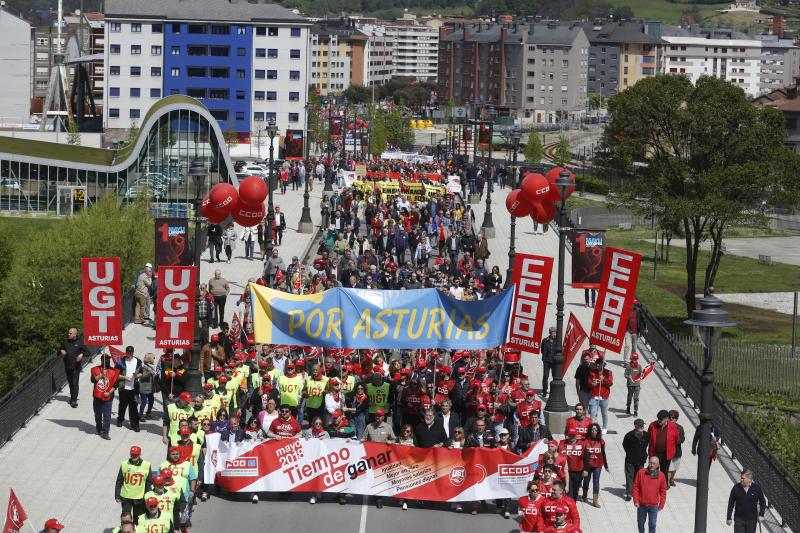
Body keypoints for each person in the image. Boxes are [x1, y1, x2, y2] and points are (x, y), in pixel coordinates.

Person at [115, 445, 152, 522]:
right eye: (132, 454)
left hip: (140, 498)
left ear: (140, 454)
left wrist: (148, 496)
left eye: (136, 454)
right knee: (126, 518)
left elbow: (148, 483)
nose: (134, 456)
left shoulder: (146, 465)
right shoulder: (124, 464)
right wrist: (117, 495)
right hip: (126, 497)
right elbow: (119, 481)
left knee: (139, 519)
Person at [633, 456, 667, 533]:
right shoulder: (641, 472)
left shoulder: (661, 476)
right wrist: (636, 501)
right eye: (650, 463)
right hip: (641, 505)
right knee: (640, 523)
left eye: (654, 463)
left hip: (653, 506)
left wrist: (661, 505)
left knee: (652, 524)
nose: (651, 465)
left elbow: (663, 492)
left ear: (658, 465)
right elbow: (635, 487)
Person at [91, 352, 120, 440]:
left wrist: (109, 392)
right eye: (105, 359)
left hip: (108, 397)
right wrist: (100, 375)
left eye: (108, 359)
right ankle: (98, 429)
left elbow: (116, 384)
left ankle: (105, 432)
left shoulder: (114, 371)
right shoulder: (95, 369)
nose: (107, 361)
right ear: (102, 360)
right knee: (98, 414)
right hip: (97, 396)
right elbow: (92, 380)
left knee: (107, 415)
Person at [58, 327, 88, 408]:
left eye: (70, 333)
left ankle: (74, 400)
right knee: (71, 383)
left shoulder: (80, 342)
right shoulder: (65, 341)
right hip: (67, 366)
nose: (69, 334)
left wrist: (82, 354)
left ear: (75, 334)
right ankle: (72, 397)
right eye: (68, 333)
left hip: (76, 367)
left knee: (75, 383)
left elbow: (88, 352)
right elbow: (59, 349)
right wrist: (61, 350)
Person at [581, 422, 608, 508]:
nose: (594, 431)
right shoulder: (585, 441)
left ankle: (595, 501)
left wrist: (606, 465)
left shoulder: (601, 441)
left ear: (598, 431)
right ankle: (584, 495)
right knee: (586, 481)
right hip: (587, 465)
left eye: (596, 430)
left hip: (598, 464)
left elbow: (603, 453)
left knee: (596, 482)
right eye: (592, 430)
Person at [648, 409, 681, 478]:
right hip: (655, 453)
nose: (659, 421)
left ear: (666, 419)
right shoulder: (652, 425)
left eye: (661, 419)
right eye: (658, 419)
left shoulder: (673, 426)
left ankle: (663, 486)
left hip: (666, 454)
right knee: (653, 471)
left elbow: (676, 439)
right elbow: (648, 437)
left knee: (664, 472)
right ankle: (654, 486)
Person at [623, 418, 650, 501]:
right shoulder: (629, 435)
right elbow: (625, 445)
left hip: (641, 460)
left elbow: (646, 446)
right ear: (635, 426)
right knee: (629, 476)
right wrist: (630, 454)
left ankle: (637, 492)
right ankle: (629, 493)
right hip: (630, 460)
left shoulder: (646, 435)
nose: (642, 427)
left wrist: (644, 456)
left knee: (639, 477)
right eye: (640, 425)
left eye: (642, 425)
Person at [116, 346, 142, 432]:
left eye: (131, 352)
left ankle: (135, 425)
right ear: (126, 352)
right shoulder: (121, 362)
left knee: (134, 407)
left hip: (135, 388)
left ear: (133, 352)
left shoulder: (138, 361)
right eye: (128, 352)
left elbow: (141, 373)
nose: (129, 354)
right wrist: (125, 377)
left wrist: (136, 375)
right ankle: (120, 419)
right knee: (122, 405)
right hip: (123, 388)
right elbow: (116, 374)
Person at [587, 357, 612, 434]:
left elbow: (610, 384)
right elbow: (588, 382)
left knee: (604, 413)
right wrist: (591, 384)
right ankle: (592, 428)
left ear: (603, 365)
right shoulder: (592, 372)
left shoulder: (608, 372)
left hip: (604, 396)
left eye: (599, 365)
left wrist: (604, 378)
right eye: (596, 364)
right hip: (594, 396)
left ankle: (604, 427)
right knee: (592, 413)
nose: (597, 366)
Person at [623, 299, 646, 364]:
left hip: (635, 332)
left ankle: (632, 359)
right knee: (627, 345)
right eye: (634, 304)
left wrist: (645, 328)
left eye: (635, 304)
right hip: (628, 331)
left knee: (634, 347)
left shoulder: (638, 312)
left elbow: (643, 319)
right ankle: (625, 361)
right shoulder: (627, 311)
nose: (635, 305)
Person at [667, 410, 685, 487]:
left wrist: (674, 441)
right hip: (667, 451)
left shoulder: (680, 428)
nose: (671, 419)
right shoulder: (665, 426)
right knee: (668, 468)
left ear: (676, 419)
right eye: (669, 417)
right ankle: (667, 482)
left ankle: (671, 480)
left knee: (674, 467)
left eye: (673, 417)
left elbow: (682, 439)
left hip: (677, 451)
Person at [138, 352, 158, 420]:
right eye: (153, 358)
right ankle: (140, 415)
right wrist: (150, 372)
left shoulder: (152, 366)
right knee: (144, 401)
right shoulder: (144, 367)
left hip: (150, 387)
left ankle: (148, 413)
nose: (154, 359)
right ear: (149, 359)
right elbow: (143, 376)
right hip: (144, 387)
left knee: (151, 400)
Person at [540, 327, 557, 396]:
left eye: (556, 333)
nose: (555, 334)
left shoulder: (557, 341)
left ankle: (553, 390)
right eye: (554, 333)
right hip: (546, 361)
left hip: (554, 362)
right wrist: (545, 357)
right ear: (550, 333)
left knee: (555, 376)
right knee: (545, 376)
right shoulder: (545, 340)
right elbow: (542, 350)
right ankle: (544, 390)